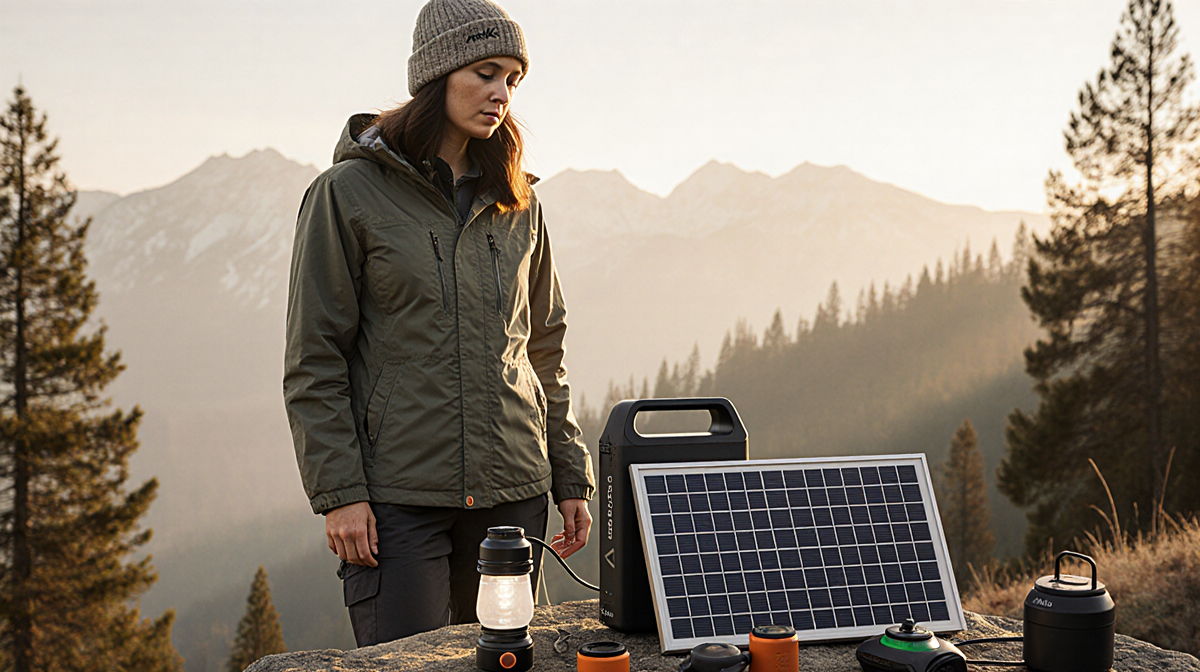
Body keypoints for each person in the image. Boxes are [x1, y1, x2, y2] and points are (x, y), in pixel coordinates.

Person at [283, 0, 595, 647]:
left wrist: (569, 475)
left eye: (513, 78)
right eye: (486, 72)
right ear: (436, 75)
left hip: (514, 490)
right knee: (407, 662)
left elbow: (543, 350)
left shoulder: (520, 203)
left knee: (505, 660)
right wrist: (340, 492)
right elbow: (316, 357)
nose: (502, 93)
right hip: (401, 500)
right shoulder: (346, 194)